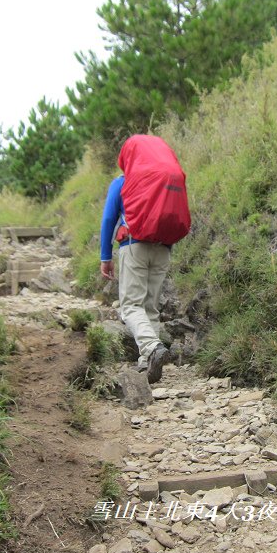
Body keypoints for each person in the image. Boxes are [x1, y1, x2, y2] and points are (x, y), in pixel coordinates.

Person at [99, 136, 188, 384]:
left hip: (134, 246)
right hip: (162, 249)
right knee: (150, 307)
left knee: (130, 306)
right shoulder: (161, 181)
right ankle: (146, 363)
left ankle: (151, 348)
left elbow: (108, 220)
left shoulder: (122, 183)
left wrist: (106, 257)